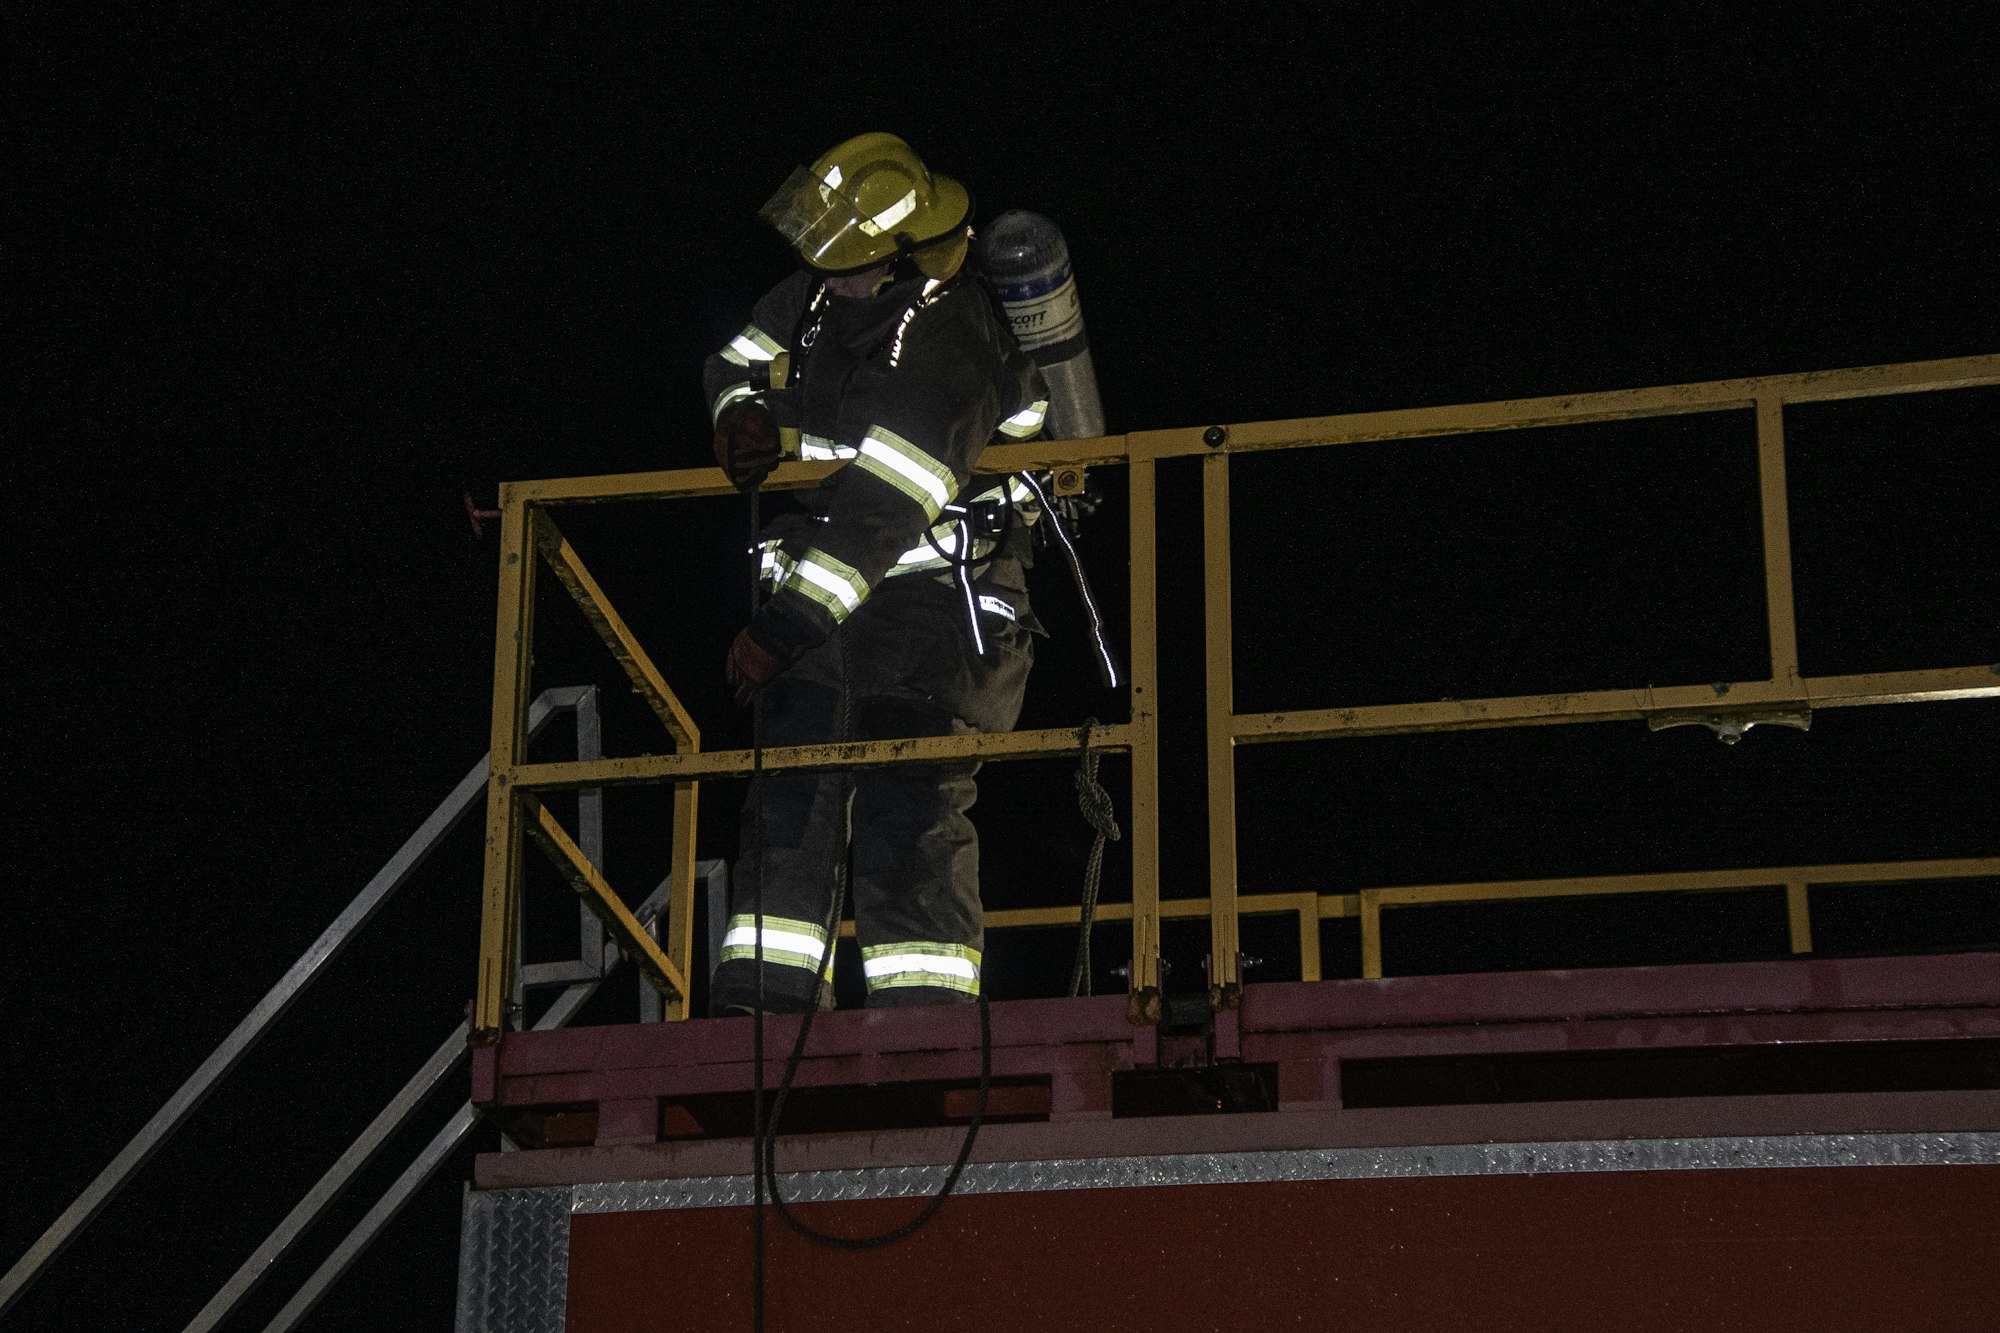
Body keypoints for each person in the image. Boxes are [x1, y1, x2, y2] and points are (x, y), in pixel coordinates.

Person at [703, 133, 1051, 1013]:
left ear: (901, 253)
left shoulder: (955, 331)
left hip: (936, 613)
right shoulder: (816, 299)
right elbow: (734, 358)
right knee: (788, 797)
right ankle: (763, 1016)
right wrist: (739, 410)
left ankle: (923, 1028)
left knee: (911, 808)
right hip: (831, 606)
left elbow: (891, 495)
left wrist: (783, 627)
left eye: (847, 263)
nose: (828, 277)